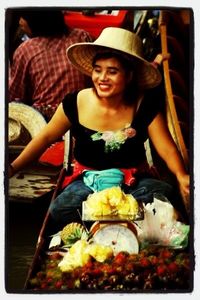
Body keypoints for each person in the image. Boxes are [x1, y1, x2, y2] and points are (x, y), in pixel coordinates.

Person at [8, 27, 190, 225]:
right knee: (61, 209)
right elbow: (44, 138)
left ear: (129, 76)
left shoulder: (144, 104)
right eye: (98, 70)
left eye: (112, 72)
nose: (102, 78)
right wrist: (11, 168)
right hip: (87, 182)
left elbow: (166, 148)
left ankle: (118, 221)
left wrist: (181, 175)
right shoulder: (75, 102)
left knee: (165, 196)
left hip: (133, 182)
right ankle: (119, 221)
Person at [8, 9, 93, 121]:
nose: (20, 22)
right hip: (83, 111)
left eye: (23, 17)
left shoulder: (26, 50)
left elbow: (16, 96)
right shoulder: (82, 36)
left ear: (35, 21)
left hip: (45, 119)